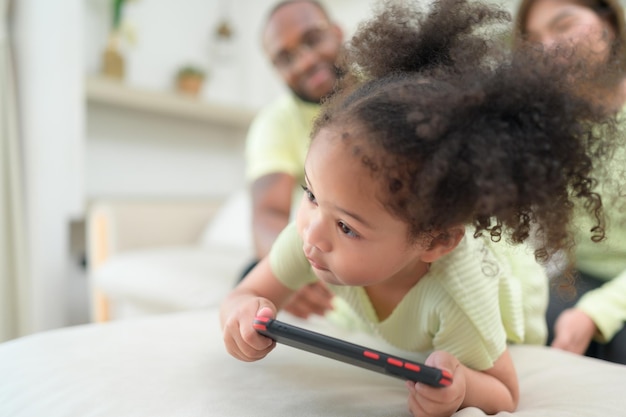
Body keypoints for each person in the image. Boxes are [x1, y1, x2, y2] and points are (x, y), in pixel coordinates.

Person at [221, 0, 620, 415]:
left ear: (436, 242)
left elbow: (505, 392)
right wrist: (240, 314)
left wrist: (463, 385)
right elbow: (246, 292)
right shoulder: (313, 229)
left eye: (346, 227)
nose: (311, 235)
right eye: (310, 194)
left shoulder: (457, 300)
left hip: (506, 294)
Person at [513, 0, 626, 364]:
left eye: (563, 26)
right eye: (533, 40)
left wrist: (597, 313)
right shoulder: (546, 124)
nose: (547, 47)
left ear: (608, 22)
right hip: (583, 277)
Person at [241, 0, 344, 319]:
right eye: (285, 58)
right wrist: (289, 273)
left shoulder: (388, 87)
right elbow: (268, 213)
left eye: (313, 40)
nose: (305, 62)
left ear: (338, 33)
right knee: (248, 282)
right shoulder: (275, 123)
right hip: (326, 257)